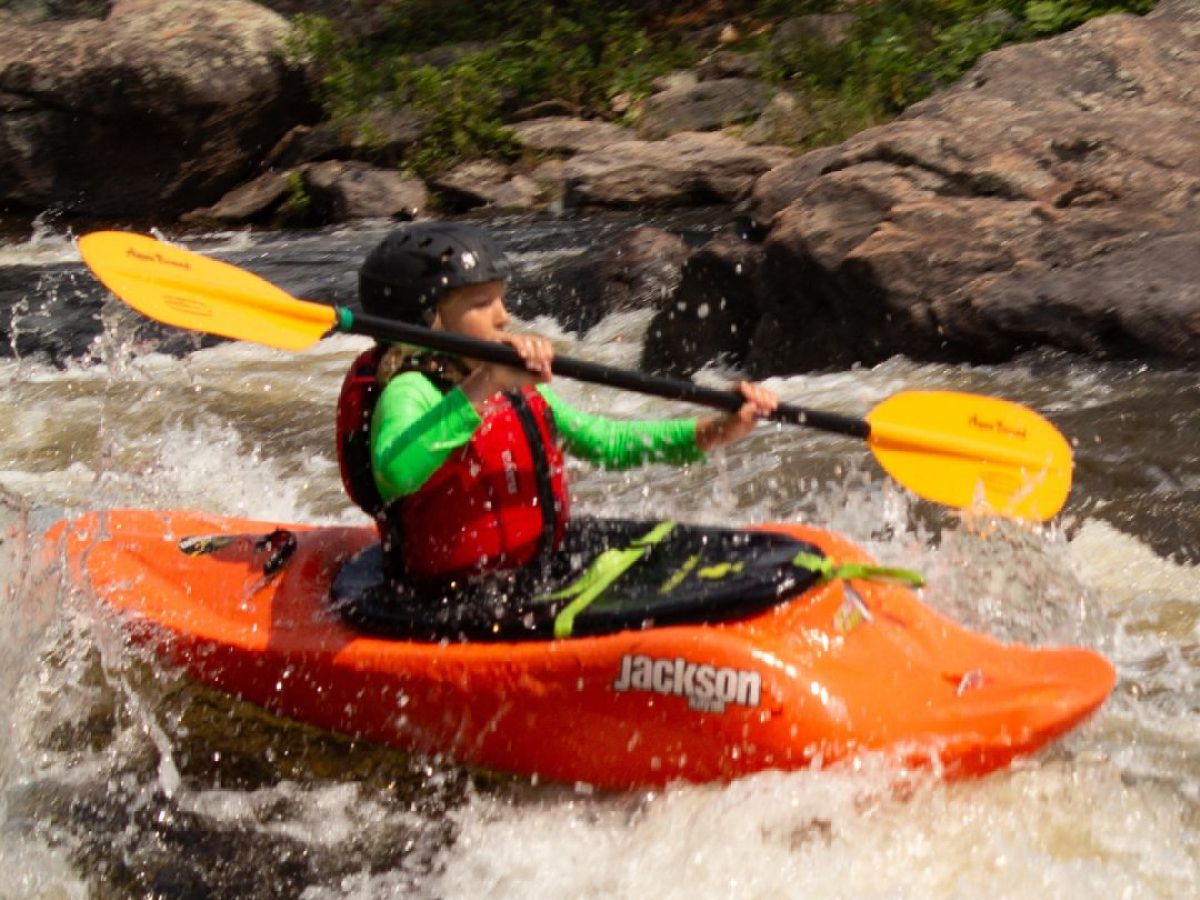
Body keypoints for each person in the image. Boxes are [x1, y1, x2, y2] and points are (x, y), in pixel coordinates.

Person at [335, 221, 778, 588]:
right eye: (482, 302)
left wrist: (711, 432)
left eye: (501, 298)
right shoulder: (411, 389)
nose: (503, 316)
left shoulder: (512, 384)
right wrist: (485, 383)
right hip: (446, 594)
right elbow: (395, 474)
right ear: (429, 320)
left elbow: (603, 441)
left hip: (534, 573)